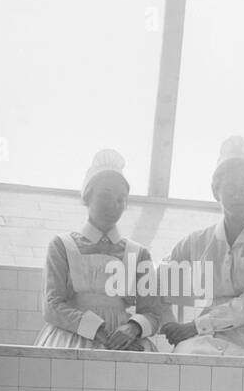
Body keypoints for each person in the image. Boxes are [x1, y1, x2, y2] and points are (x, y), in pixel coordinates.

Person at [160, 136, 244, 356]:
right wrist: (170, 321)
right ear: (215, 191)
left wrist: (196, 325)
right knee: (185, 356)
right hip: (203, 337)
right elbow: (161, 280)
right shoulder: (196, 242)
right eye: (230, 187)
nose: (238, 194)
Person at [35, 149, 165, 351]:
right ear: (87, 197)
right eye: (106, 195)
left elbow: (153, 313)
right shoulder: (62, 246)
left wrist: (132, 329)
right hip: (70, 338)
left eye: (121, 199)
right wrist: (100, 333)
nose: (114, 204)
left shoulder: (138, 254)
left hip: (125, 342)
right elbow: (52, 305)